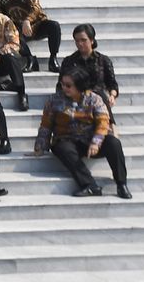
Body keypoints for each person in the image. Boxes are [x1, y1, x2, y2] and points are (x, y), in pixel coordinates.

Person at [35, 69, 130, 199]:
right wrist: (40, 146)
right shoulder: (54, 100)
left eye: (68, 85)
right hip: (67, 140)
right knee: (62, 148)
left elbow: (103, 122)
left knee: (114, 143)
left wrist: (96, 142)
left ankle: (121, 183)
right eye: (63, 84)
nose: (64, 88)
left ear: (79, 86)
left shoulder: (95, 99)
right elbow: (46, 125)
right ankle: (90, 185)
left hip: (91, 141)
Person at [0, 0, 62, 73]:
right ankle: (30, 60)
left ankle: (53, 59)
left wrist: (27, 20)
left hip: (37, 25)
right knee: (12, 32)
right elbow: (2, 15)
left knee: (54, 26)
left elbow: (36, 7)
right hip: (19, 29)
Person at [59, 24, 119, 120]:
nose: (80, 43)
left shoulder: (103, 60)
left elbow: (112, 84)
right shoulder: (69, 61)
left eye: (83, 40)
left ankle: (110, 127)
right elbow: (60, 84)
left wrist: (112, 95)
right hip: (76, 97)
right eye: (77, 41)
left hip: (98, 99)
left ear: (92, 40)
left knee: (100, 96)